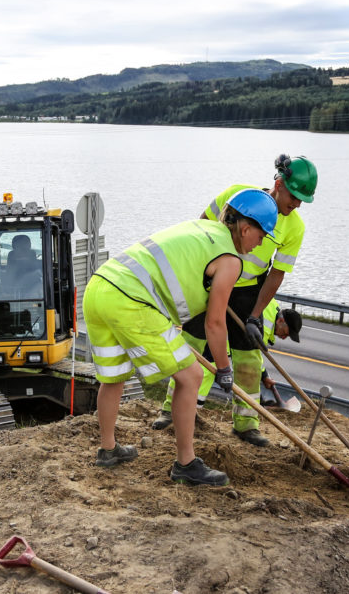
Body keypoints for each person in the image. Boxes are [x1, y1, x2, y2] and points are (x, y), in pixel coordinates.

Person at [84, 189, 278, 486]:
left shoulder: (202, 227)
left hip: (100, 287)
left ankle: (108, 450)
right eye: (262, 235)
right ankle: (186, 464)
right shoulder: (230, 260)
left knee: (113, 378)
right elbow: (215, 323)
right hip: (130, 299)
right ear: (246, 228)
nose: (261, 242)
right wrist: (225, 370)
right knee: (190, 376)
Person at [206, 154, 315, 446]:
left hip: (247, 289)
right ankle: (177, 411)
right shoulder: (238, 194)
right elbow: (202, 225)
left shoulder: (295, 227)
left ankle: (246, 423)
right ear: (278, 183)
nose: (297, 204)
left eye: (303, 199)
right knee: (197, 344)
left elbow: (276, 274)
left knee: (249, 358)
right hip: (212, 278)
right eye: (294, 196)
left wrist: (255, 316)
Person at [151, 301, 302, 426]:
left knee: (202, 372)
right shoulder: (264, 324)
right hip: (215, 330)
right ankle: (176, 413)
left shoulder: (270, 308)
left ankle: (185, 413)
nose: (285, 337)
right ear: (281, 321)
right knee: (197, 371)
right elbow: (252, 356)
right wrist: (263, 375)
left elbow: (253, 356)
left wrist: (264, 376)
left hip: (218, 329)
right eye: (287, 332)